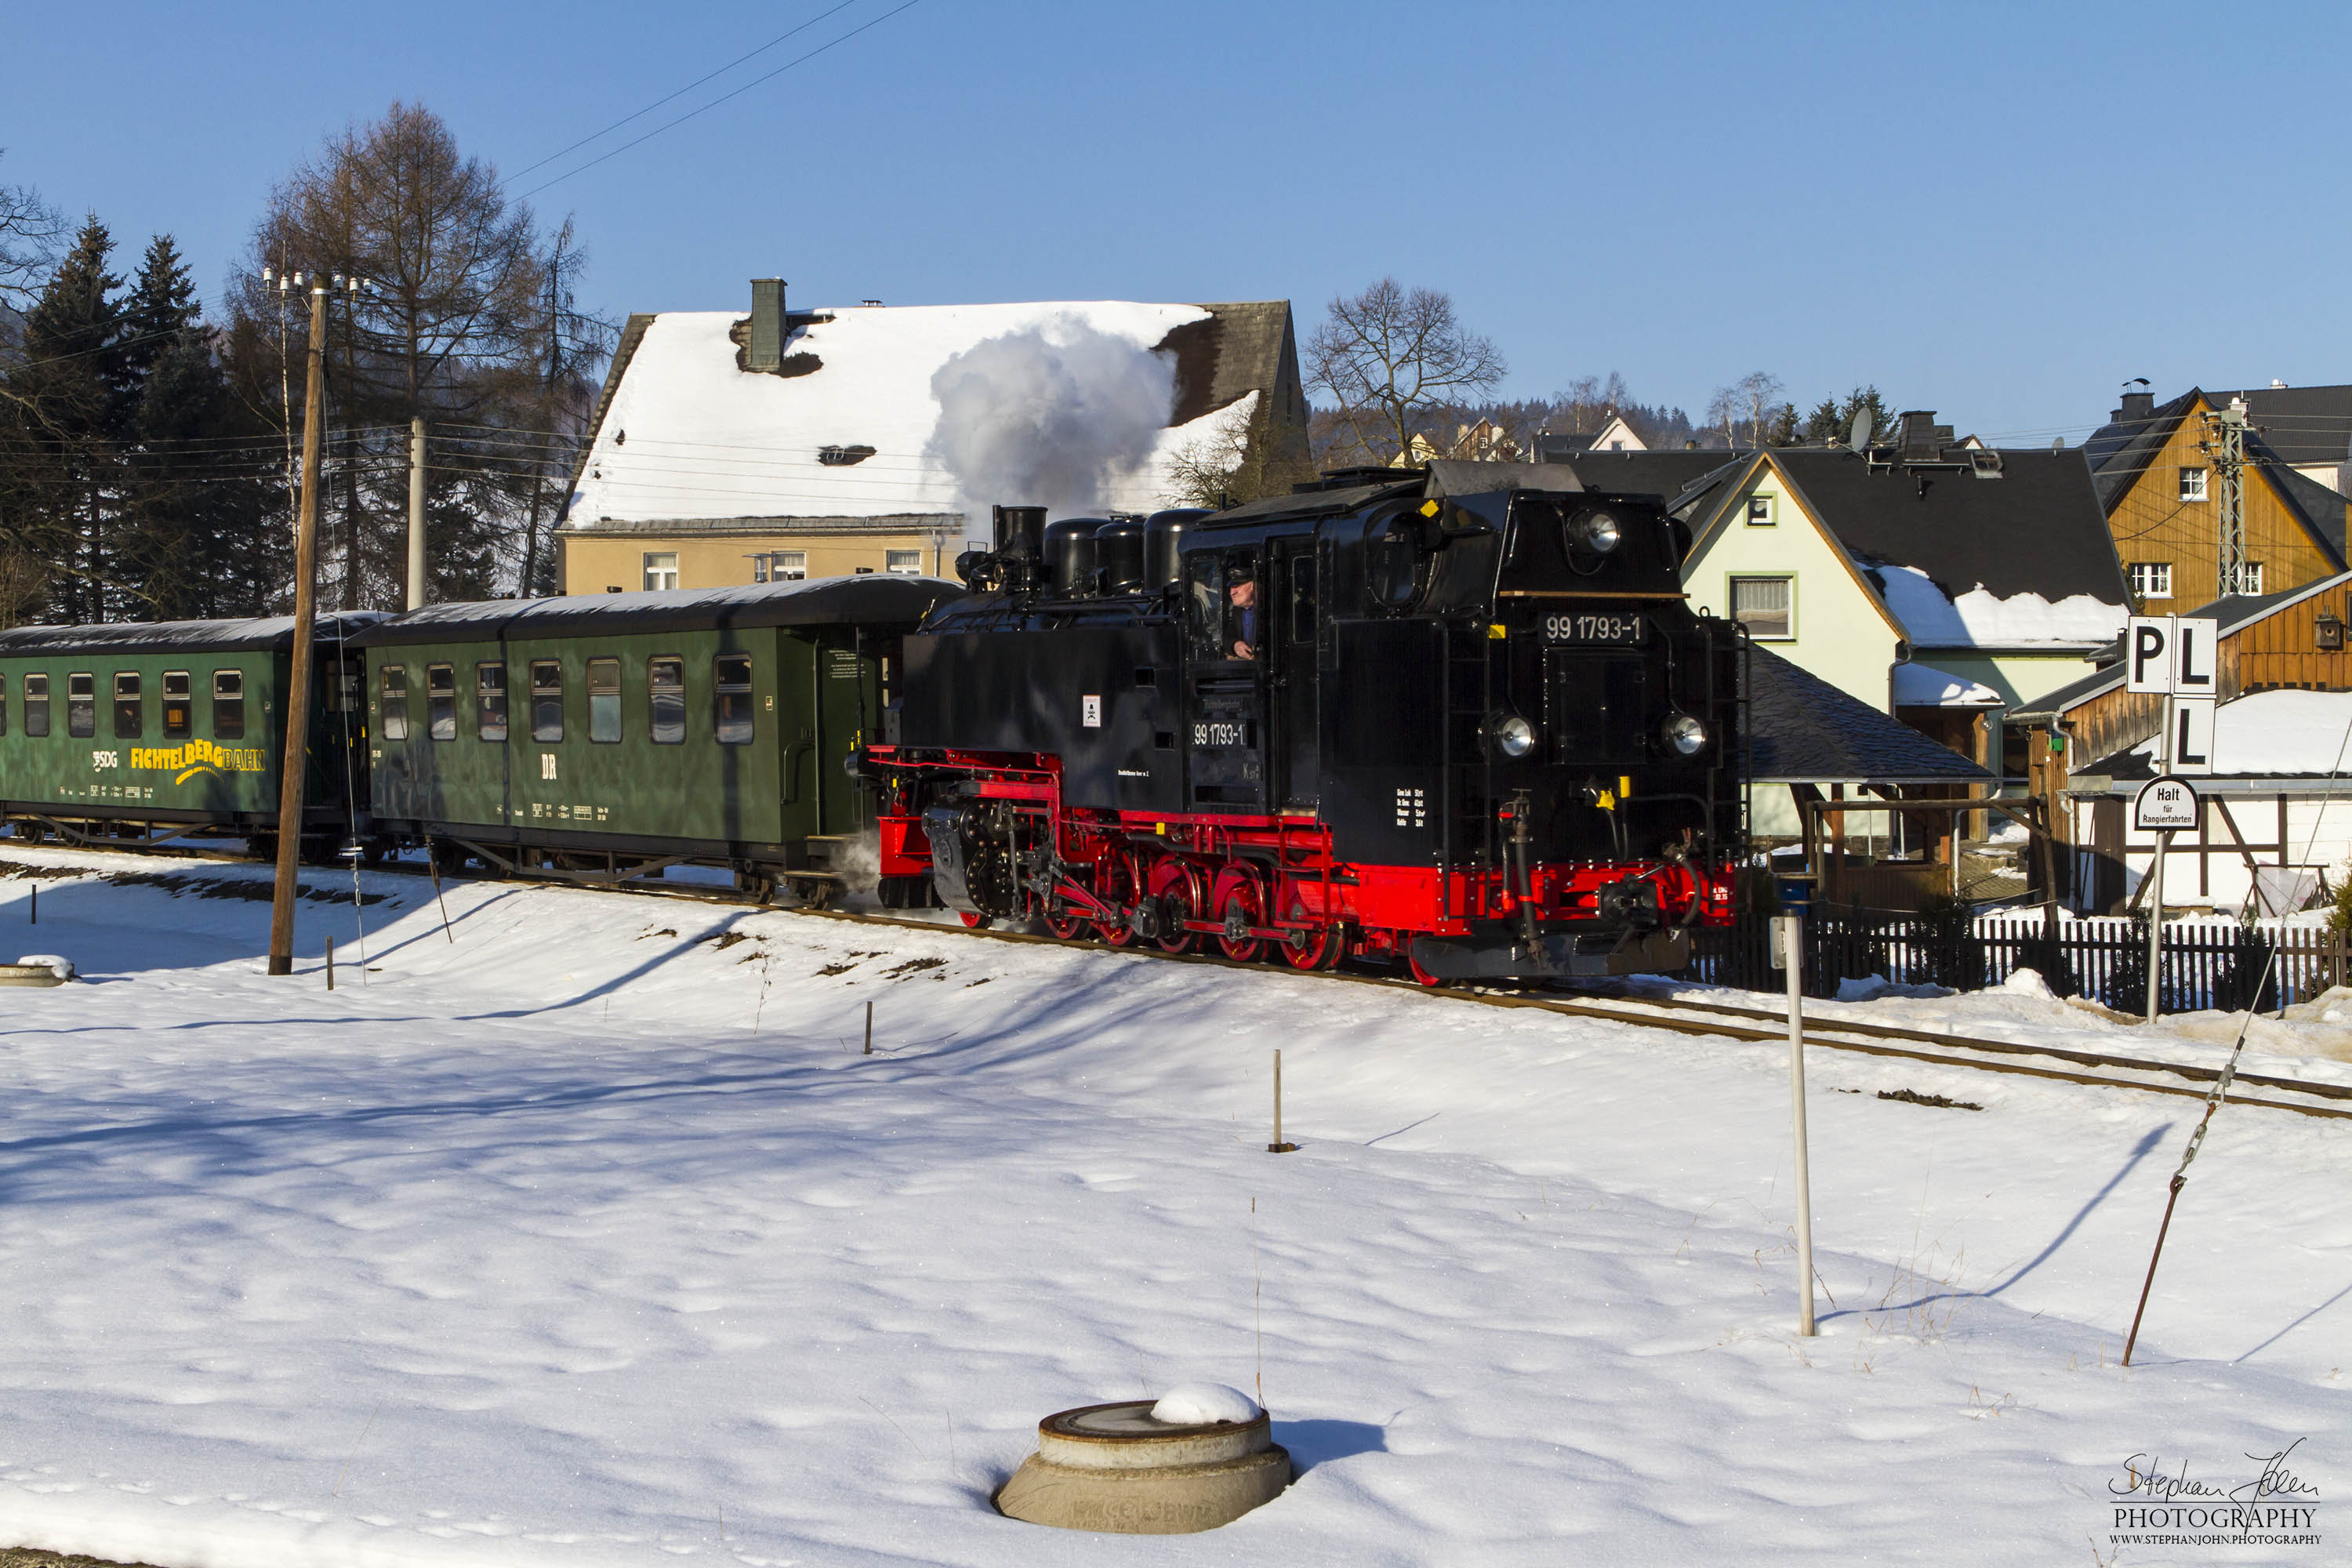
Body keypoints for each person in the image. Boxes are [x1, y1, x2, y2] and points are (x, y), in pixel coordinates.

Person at [1227, 568, 1259, 660]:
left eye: (1236, 586)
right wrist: (1235, 645)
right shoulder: (1237, 611)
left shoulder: (1269, 610)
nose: (1232, 593)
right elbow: (1228, 635)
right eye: (1231, 588)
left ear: (1253, 586)